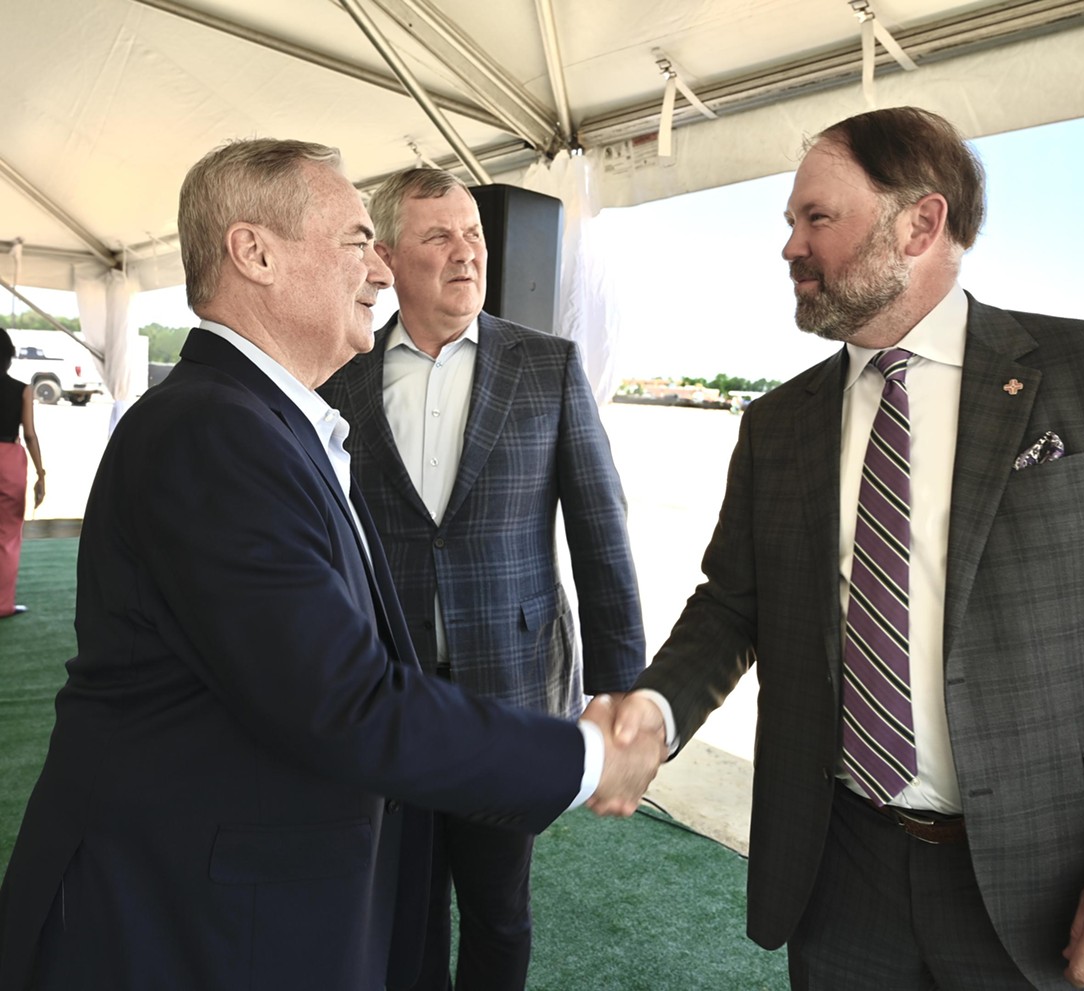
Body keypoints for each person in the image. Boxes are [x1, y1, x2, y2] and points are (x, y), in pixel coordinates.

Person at [607, 106, 1084, 991]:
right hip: (841, 875)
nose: (790, 246)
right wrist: (656, 711)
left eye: (818, 218)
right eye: (789, 222)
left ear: (922, 223)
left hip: (1059, 887)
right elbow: (734, 603)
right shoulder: (779, 424)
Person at [0, 139, 662, 991]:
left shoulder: (259, 417)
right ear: (256, 252)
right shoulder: (211, 431)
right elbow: (342, 698)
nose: (379, 271)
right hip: (177, 917)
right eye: (358, 241)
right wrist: (587, 756)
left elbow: (598, 540)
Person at [320, 167, 645, 991]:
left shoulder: (547, 366)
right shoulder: (342, 383)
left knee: (499, 913)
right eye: (439, 237)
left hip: (509, 696)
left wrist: (624, 694)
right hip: (384, 700)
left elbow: (602, 539)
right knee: (403, 906)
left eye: (474, 236)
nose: (466, 254)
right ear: (388, 257)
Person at [0, 329, 46, 618]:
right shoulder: (22, 390)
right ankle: (3, 604)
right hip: (9, 460)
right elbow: (29, 435)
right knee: (7, 536)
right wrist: (41, 473)